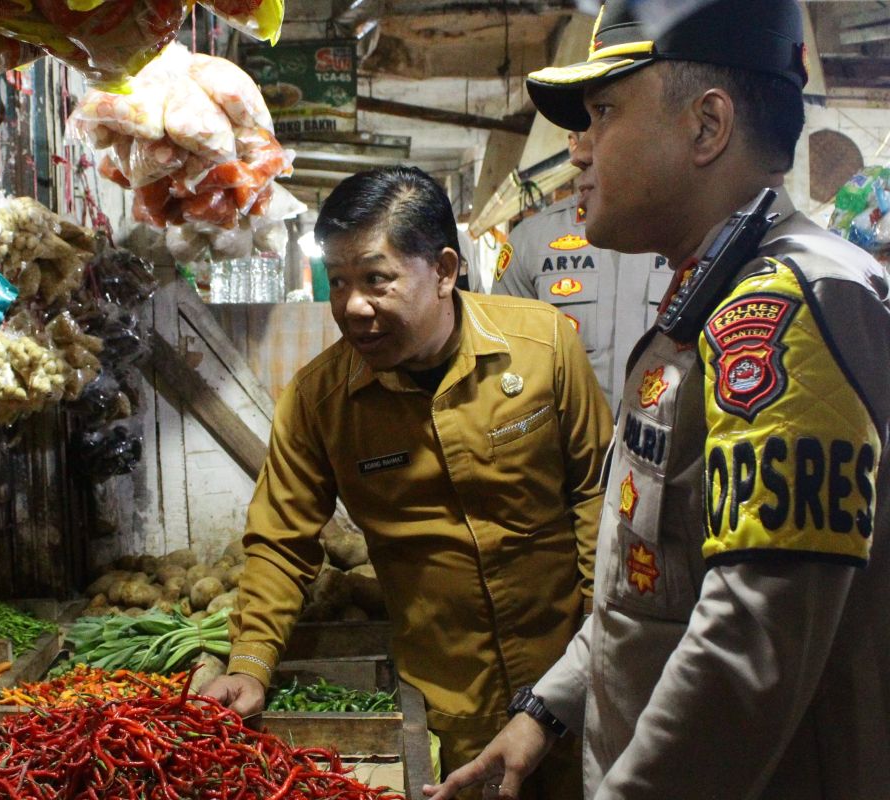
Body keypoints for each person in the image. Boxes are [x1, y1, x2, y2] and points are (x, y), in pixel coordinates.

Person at [425, 1, 890, 798]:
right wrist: (547, 710)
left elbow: (748, 649)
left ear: (707, 127)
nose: (580, 152)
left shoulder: (785, 311)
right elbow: (656, 579)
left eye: (604, 112)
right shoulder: (709, 296)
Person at [202, 166, 614, 799]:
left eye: (376, 279)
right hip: (451, 708)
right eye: (337, 282)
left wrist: (594, 652)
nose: (351, 306)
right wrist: (252, 661)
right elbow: (282, 541)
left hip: (574, 685)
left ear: (445, 270)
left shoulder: (543, 349)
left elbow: (598, 496)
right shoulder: (321, 401)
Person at [493, 132, 669, 410]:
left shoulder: (691, 232)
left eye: (604, 122)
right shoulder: (532, 241)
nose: (579, 156)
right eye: (579, 137)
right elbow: (508, 373)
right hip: (568, 448)